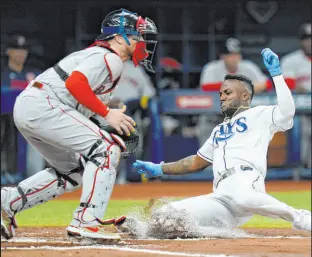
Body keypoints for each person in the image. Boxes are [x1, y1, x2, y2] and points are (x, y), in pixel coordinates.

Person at [1, 8, 158, 241]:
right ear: (118, 37)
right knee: (106, 150)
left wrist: (106, 114)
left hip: (35, 107)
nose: (143, 42)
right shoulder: (110, 57)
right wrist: (107, 113)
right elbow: (76, 83)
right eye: (137, 36)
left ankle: (7, 202)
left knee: (74, 172)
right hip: (45, 105)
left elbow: (79, 100)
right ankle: (87, 222)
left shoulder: (103, 59)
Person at [126, 48, 311, 238]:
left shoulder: (259, 114)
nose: (222, 97)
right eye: (221, 93)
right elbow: (196, 162)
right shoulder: (218, 130)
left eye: (228, 92)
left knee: (243, 196)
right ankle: (220, 233)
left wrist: (277, 75)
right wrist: (159, 168)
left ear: (245, 96)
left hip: (246, 181)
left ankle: (302, 218)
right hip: (222, 196)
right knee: (166, 216)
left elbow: (287, 112)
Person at [198, 37, 270, 146]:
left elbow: (267, 84)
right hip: (215, 115)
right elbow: (206, 87)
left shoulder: (248, 67)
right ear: (222, 56)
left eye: (236, 55)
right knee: (204, 121)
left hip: (241, 116)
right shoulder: (211, 68)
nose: (234, 58)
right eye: (230, 55)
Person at [281, 22, 311, 168]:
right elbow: (286, 84)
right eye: (307, 38)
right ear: (301, 41)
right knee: (302, 126)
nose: (310, 42)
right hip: (300, 109)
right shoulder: (290, 60)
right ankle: (302, 168)